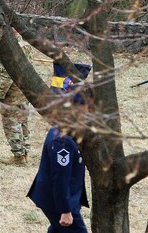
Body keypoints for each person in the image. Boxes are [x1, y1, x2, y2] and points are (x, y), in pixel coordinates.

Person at [28, 85, 90, 232]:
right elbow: (60, 178)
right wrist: (65, 211)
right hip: (58, 202)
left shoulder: (69, 128)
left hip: (67, 198)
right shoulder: (62, 141)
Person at [0, 28, 35, 165]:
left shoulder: (10, 48)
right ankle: (24, 153)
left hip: (12, 93)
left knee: (11, 124)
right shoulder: (26, 46)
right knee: (23, 122)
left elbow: (8, 75)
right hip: (25, 91)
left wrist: (1, 93)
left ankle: (18, 156)